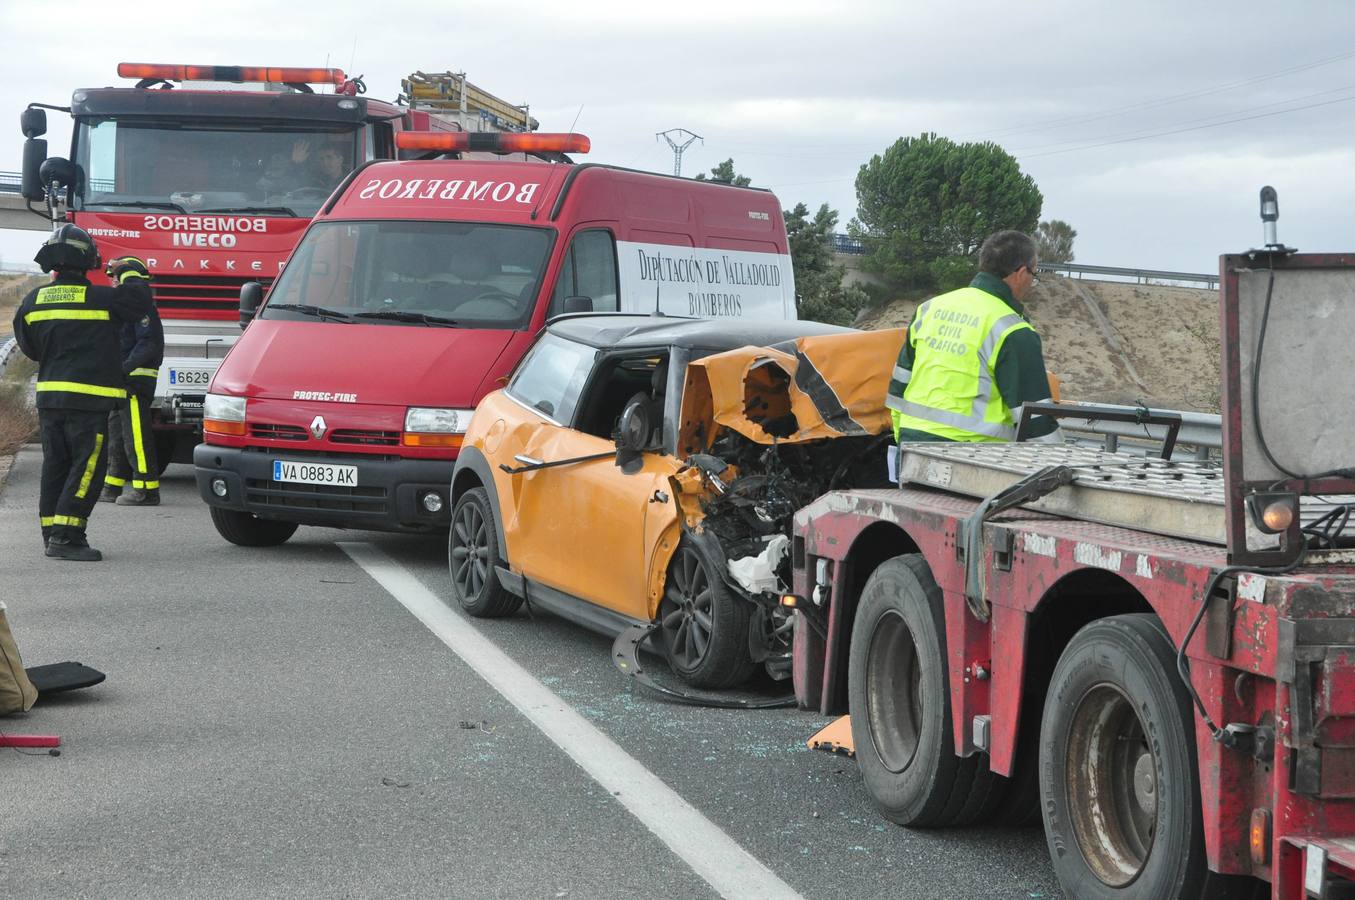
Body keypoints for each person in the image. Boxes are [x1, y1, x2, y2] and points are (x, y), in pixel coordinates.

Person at [12, 225, 152, 561]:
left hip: (49, 398)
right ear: (88, 260)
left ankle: (52, 532)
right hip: (88, 400)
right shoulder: (103, 298)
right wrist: (130, 269)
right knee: (88, 465)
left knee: (56, 465)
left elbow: (29, 347)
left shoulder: (33, 301)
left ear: (53, 264)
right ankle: (68, 535)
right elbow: (141, 303)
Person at [885, 229, 1058, 447]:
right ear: (1022, 273)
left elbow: (899, 384)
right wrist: (1061, 465)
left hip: (913, 443)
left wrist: (904, 440)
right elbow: (1036, 419)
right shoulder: (1012, 329)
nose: (1031, 284)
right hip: (973, 456)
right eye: (1034, 276)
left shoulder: (930, 309)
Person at [100, 290, 165, 506]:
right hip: (121, 381)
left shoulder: (143, 311)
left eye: (119, 279)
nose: (115, 283)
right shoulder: (124, 310)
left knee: (137, 437)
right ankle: (112, 486)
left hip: (135, 382)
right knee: (117, 435)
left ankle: (147, 491)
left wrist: (123, 368)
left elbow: (148, 345)